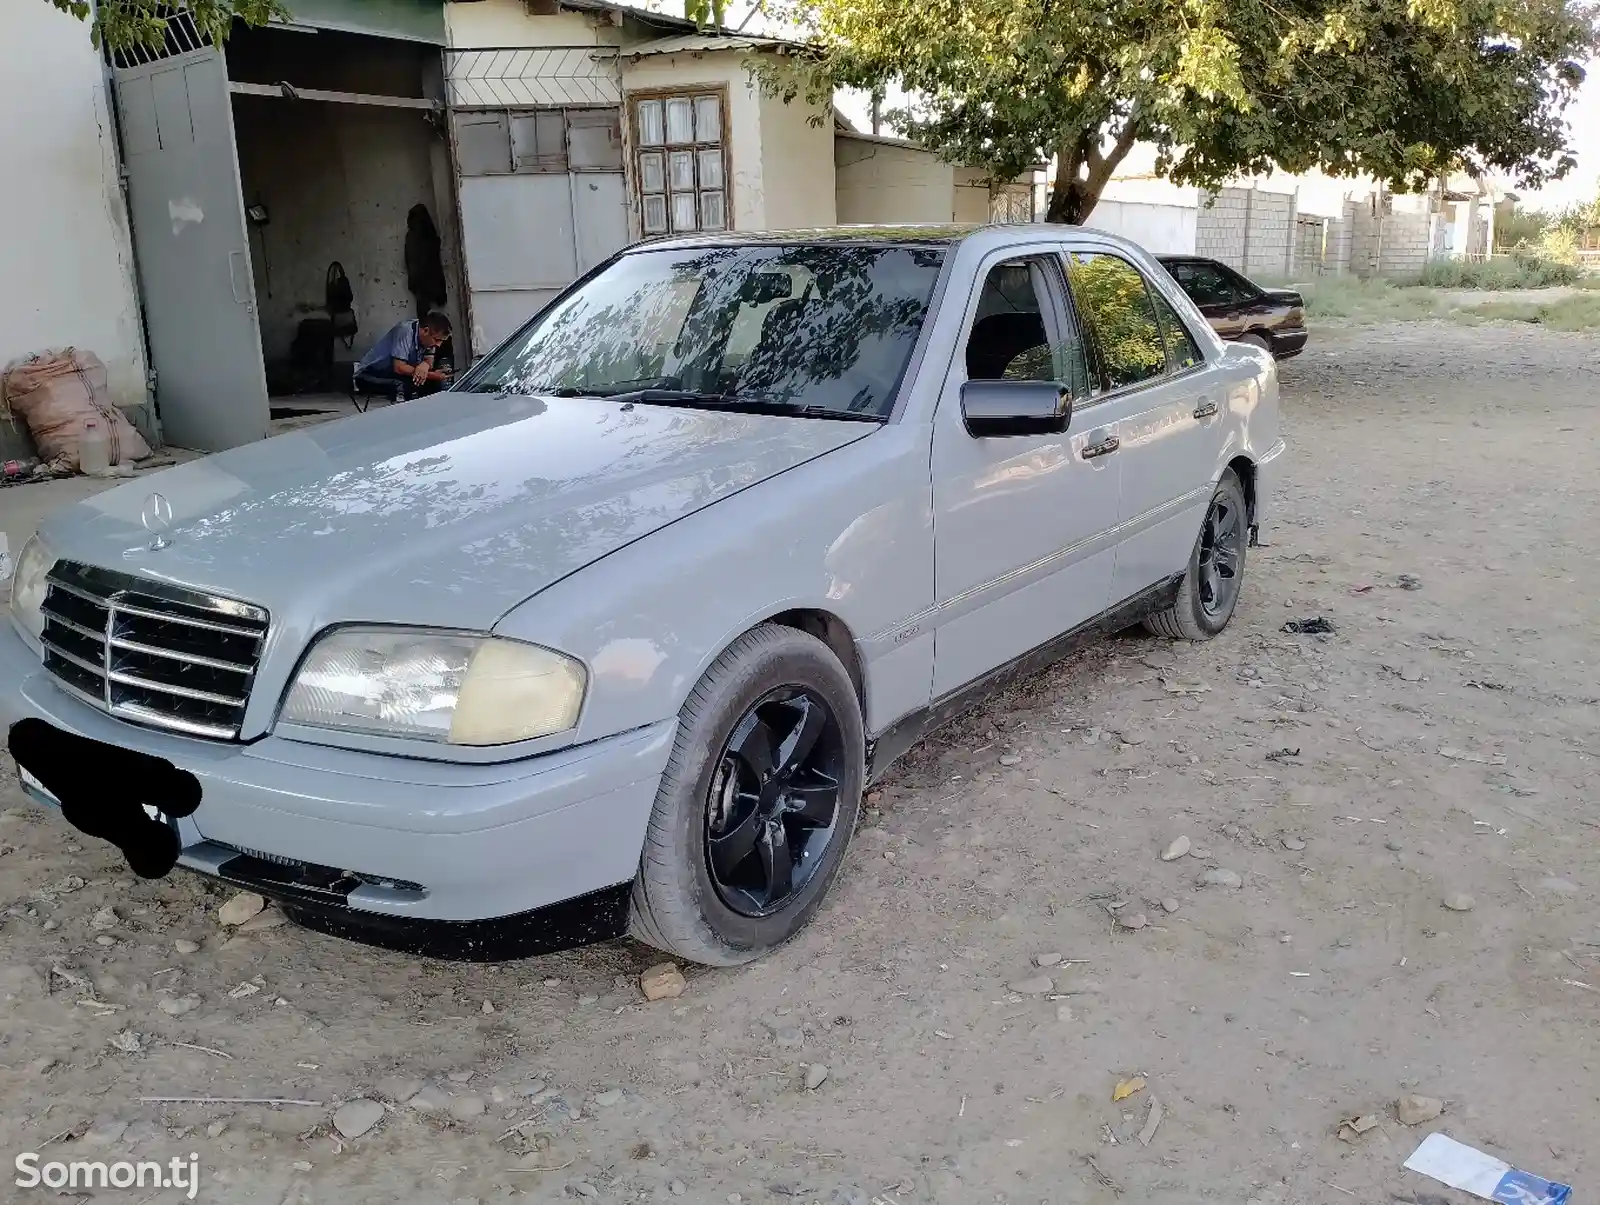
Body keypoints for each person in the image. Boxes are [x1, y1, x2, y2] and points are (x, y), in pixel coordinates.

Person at [353, 312, 453, 400]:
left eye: (441, 341)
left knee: (433, 385)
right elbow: (399, 368)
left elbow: (429, 363)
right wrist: (430, 375)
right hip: (370, 374)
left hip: (397, 374)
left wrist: (425, 365)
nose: (438, 345)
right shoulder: (405, 330)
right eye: (436, 340)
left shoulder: (428, 338)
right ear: (425, 331)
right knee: (406, 387)